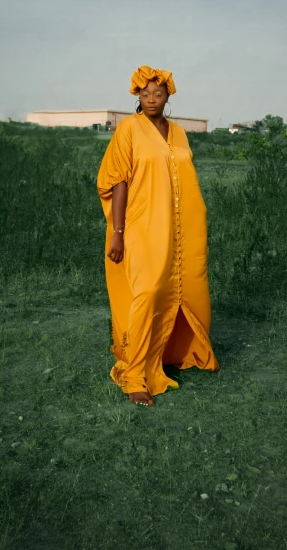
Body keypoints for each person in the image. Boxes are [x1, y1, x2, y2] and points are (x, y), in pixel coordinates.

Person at [96, 65, 220, 407]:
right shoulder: (128, 129)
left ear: (168, 97)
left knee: (185, 289)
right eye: (145, 94)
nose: (151, 99)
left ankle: (175, 352)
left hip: (183, 229)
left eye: (158, 94)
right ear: (137, 96)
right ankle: (135, 376)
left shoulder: (179, 133)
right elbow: (117, 180)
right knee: (148, 293)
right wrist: (117, 233)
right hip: (141, 226)